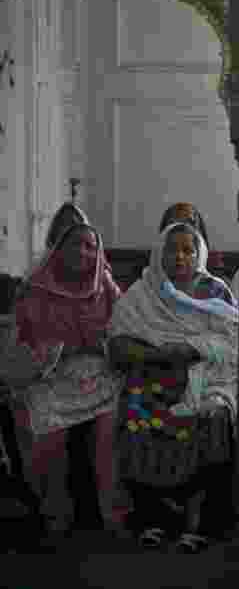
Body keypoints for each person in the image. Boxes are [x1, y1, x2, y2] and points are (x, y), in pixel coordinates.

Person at [107, 221, 238, 552]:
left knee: (214, 416)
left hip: (209, 377)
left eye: (187, 250)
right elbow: (118, 345)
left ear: (199, 254)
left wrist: (191, 349)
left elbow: (234, 342)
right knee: (138, 413)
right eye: (172, 249)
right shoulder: (143, 293)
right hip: (153, 375)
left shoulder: (215, 291)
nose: (180, 256)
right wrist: (159, 355)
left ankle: (200, 523)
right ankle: (153, 519)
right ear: (159, 253)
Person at [12, 223, 123, 537]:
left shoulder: (107, 286)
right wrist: (64, 348)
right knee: (45, 427)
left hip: (100, 374)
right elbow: (22, 342)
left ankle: (112, 513)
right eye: (75, 244)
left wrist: (101, 346)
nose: (83, 252)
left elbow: (124, 331)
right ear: (59, 249)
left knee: (110, 430)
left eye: (91, 246)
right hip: (51, 374)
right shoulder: (35, 288)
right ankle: (54, 513)